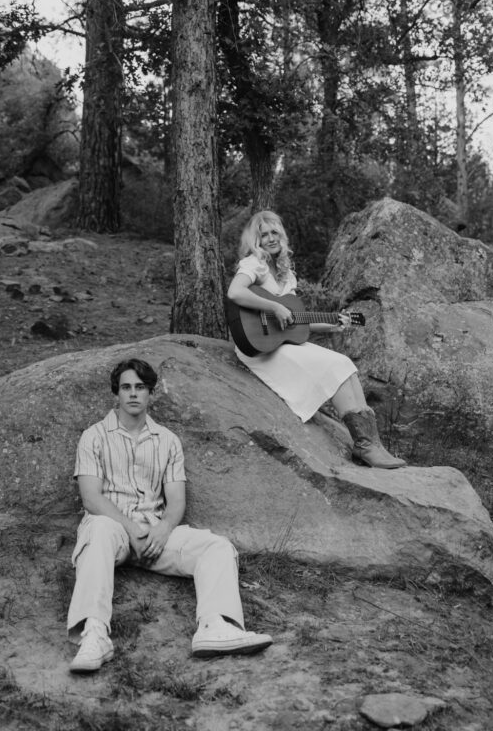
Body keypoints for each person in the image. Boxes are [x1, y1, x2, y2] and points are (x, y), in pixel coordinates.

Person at [67, 357, 273, 673]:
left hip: (155, 533)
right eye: (126, 388)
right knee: (96, 531)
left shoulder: (168, 440)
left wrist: (162, 530)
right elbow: (91, 498)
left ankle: (215, 626)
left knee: (216, 547)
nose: (133, 394)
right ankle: (94, 636)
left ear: (151, 393)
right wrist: (130, 529)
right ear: (116, 394)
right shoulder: (93, 436)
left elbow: (176, 500)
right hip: (113, 529)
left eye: (140, 387)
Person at [227, 210, 406, 470]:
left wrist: (334, 324)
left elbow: (296, 320)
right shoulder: (255, 264)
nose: (270, 238)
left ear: (282, 235)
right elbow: (235, 292)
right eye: (263, 235)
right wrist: (274, 307)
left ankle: (370, 444)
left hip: (280, 343)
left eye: (274, 232)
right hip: (260, 349)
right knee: (332, 367)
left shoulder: (287, 275)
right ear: (256, 240)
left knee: (345, 363)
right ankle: (366, 446)